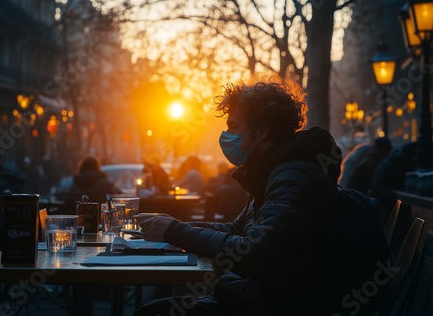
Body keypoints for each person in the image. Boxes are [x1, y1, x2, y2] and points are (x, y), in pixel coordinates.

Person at [136, 77, 387, 316]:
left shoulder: (292, 177)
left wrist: (175, 231)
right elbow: (237, 229)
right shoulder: (281, 169)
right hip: (277, 297)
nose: (227, 136)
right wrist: (170, 227)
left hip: (287, 305)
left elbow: (255, 256)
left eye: (234, 127)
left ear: (262, 131)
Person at [371, 142, 417, 246]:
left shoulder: (391, 163)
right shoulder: (393, 165)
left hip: (391, 210)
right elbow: (376, 188)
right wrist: (396, 194)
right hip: (389, 210)